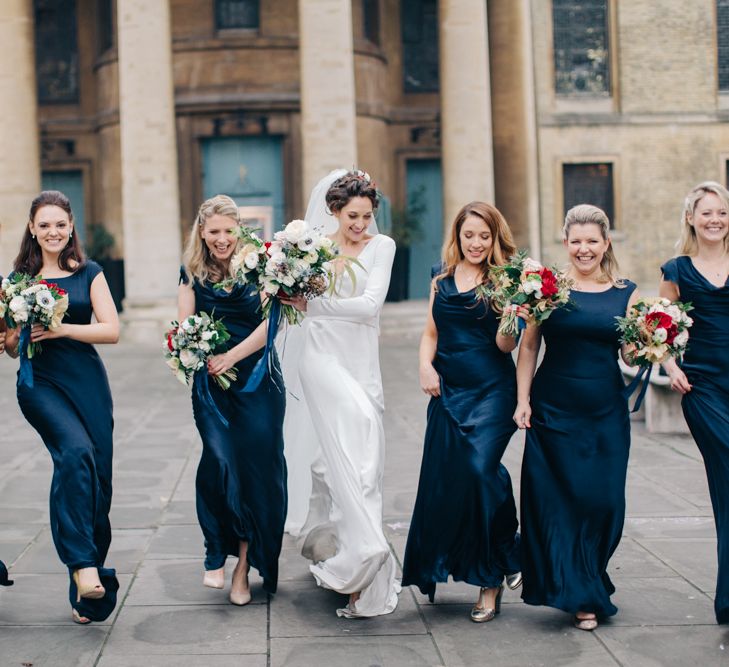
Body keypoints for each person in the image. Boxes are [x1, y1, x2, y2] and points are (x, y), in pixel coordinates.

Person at [513, 204, 639, 631]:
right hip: (554, 411)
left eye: (592, 241)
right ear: (565, 243)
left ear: (606, 244)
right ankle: (581, 591)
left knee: (603, 503)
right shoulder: (547, 290)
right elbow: (528, 347)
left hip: (605, 412)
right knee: (560, 502)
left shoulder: (627, 292)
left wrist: (654, 343)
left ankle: (589, 574)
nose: (584, 249)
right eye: (576, 241)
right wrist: (522, 401)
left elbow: (628, 352)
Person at [281, 169, 400, 618]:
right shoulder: (314, 248)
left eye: (367, 216)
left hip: (360, 363)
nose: (361, 225)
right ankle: (365, 548)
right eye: (353, 216)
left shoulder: (381, 246)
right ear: (334, 211)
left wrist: (311, 305)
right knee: (351, 448)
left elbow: (370, 307)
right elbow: (288, 296)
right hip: (320, 358)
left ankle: (360, 568)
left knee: (361, 467)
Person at [401, 201, 524, 622]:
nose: (476, 243)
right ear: (458, 236)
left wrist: (510, 321)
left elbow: (506, 346)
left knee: (478, 470)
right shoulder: (440, 278)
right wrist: (424, 366)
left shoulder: (505, 281)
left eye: (484, 236)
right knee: (456, 482)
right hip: (447, 389)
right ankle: (500, 564)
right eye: (469, 235)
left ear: (495, 240)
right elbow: (431, 332)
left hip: (493, 390)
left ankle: (494, 573)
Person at [4, 190, 120, 623]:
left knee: (99, 479)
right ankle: (82, 565)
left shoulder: (89, 273)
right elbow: (12, 347)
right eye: (44, 224)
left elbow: (111, 330)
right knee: (75, 454)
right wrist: (17, 334)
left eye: (60, 224)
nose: (52, 231)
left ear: (71, 226)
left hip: (88, 384)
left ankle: (84, 591)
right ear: (32, 229)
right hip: (40, 385)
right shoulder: (16, 281)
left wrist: (60, 329)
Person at [178, 194, 286, 605]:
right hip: (212, 387)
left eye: (229, 231)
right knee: (219, 461)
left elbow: (270, 325)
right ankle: (214, 550)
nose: (222, 239)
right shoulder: (191, 273)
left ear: (240, 231)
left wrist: (232, 356)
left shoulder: (259, 266)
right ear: (202, 232)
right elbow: (184, 324)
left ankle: (243, 565)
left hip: (258, 381)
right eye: (214, 232)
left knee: (258, 471)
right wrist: (191, 349)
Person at [660, 181, 729, 624]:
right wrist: (671, 367)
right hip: (703, 388)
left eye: (722, 213)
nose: (715, 220)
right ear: (691, 218)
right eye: (707, 213)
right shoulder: (677, 269)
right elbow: (659, 327)